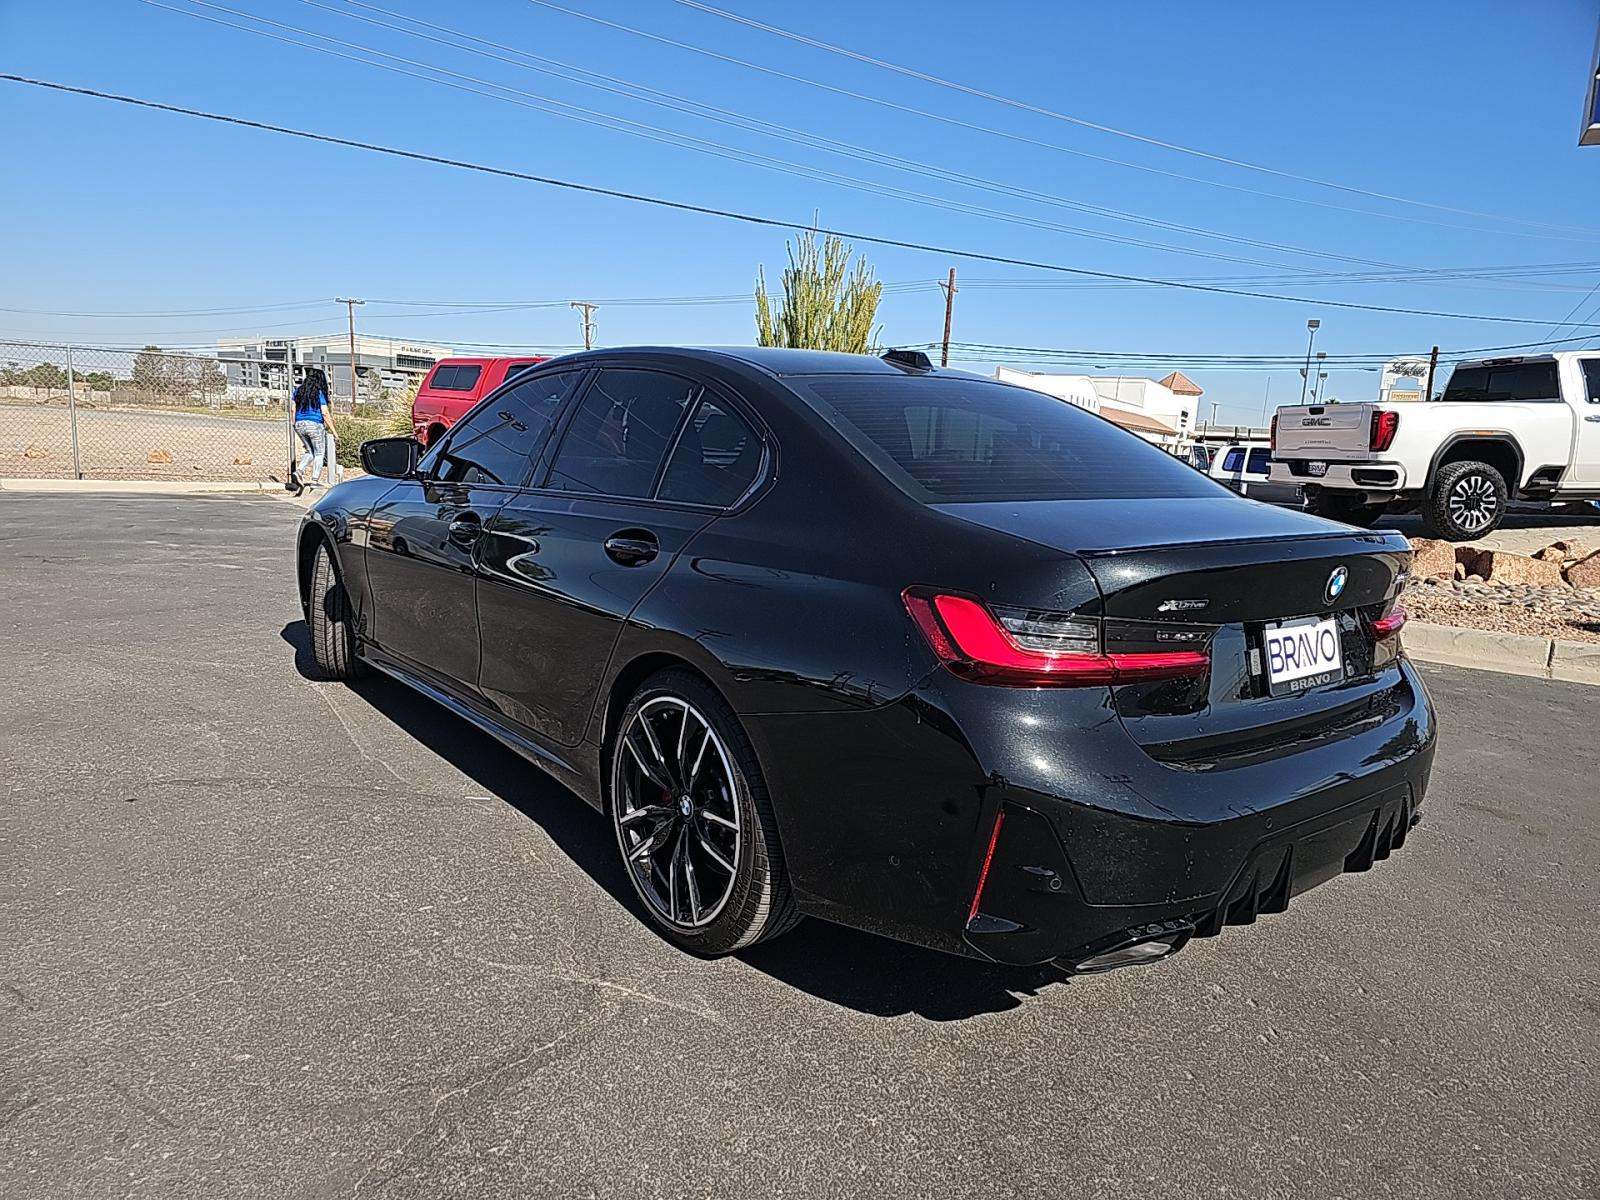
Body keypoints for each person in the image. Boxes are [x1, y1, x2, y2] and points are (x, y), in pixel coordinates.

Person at [292, 367, 337, 488]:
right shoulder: (319, 393)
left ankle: (299, 471)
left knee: (309, 451)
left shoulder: (298, 391)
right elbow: (325, 413)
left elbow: (293, 409)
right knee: (319, 453)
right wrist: (334, 432)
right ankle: (314, 481)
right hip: (315, 424)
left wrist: (294, 423)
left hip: (299, 424)